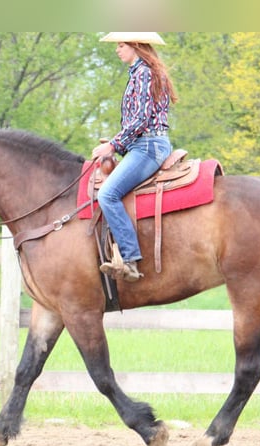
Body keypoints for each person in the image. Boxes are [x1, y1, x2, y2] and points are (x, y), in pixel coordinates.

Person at [92, 32, 178, 282]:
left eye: (121, 45)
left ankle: (129, 259)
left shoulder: (143, 74)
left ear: (136, 46)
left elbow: (140, 120)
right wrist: (116, 142)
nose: (118, 50)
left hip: (148, 146)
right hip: (147, 143)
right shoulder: (144, 72)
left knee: (107, 194)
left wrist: (113, 145)